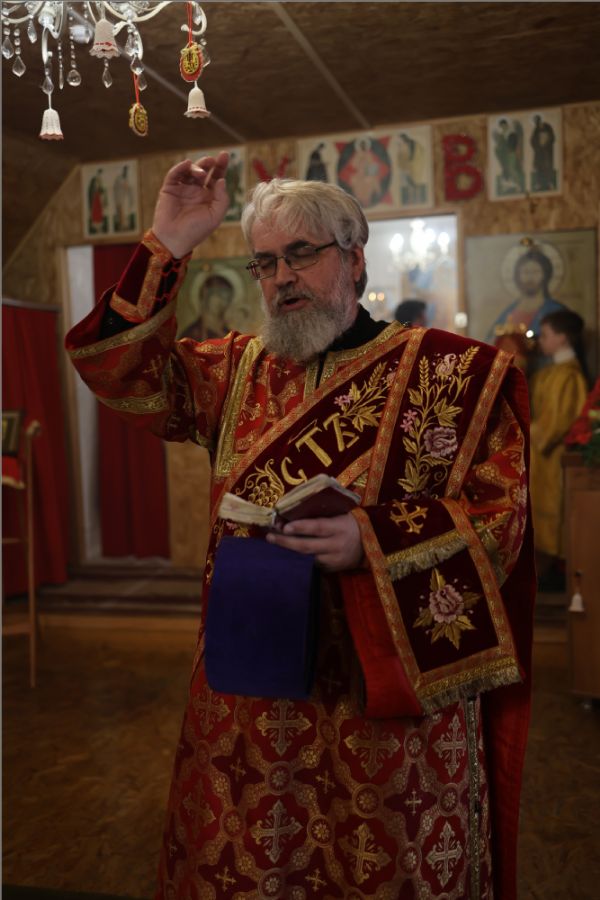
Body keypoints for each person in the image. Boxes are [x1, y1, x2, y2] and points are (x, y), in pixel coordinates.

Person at [66, 152, 535, 899]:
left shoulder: (453, 374)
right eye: (264, 263)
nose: (281, 277)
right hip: (251, 698)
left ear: (354, 258)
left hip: (386, 701)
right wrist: (168, 243)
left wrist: (372, 541)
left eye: (301, 254)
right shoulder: (232, 371)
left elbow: (501, 519)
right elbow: (118, 371)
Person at [529, 309, 589, 591]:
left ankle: (552, 570)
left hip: (552, 457)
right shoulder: (550, 372)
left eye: (546, 335)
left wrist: (523, 429)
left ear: (563, 337)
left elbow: (555, 423)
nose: (541, 341)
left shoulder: (569, 375)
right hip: (539, 458)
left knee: (552, 513)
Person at [486, 245, 567, 343]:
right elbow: (491, 342)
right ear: (518, 277)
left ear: (545, 275)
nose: (530, 278)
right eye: (525, 272)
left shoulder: (555, 310)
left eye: (535, 272)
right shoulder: (509, 312)